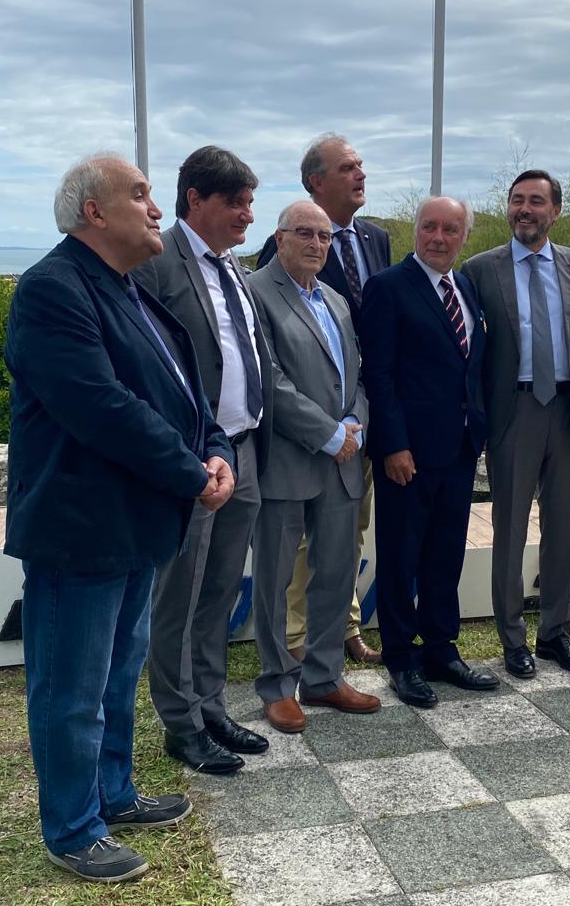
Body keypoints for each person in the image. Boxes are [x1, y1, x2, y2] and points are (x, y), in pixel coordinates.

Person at [3, 154, 235, 882]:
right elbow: (100, 407)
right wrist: (191, 471)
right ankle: (72, 829)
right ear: (94, 212)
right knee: (69, 688)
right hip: (81, 528)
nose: (156, 207)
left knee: (113, 677)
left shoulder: (128, 290)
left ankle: (112, 795)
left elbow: (185, 393)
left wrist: (218, 446)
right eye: (139, 195)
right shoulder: (51, 289)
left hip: (134, 523)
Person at [133, 146, 271, 773]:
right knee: (179, 599)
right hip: (193, 464)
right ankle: (180, 722)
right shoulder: (157, 263)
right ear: (194, 199)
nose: (247, 214)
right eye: (234, 202)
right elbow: (141, 365)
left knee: (218, 592)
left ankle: (211, 704)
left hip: (241, 453)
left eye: (248, 201)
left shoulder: (232, 267)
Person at [462, 170, 570, 679]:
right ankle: (512, 639)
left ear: (555, 211)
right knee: (508, 527)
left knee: (563, 525)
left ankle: (555, 634)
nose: (524, 210)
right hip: (514, 412)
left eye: (535, 201)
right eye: (516, 201)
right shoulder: (480, 269)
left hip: (569, 412)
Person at [358, 196, 497, 708]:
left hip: (459, 447)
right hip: (408, 453)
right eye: (429, 227)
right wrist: (393, 443)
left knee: (445, 553)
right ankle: (400, 656)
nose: (438, 237)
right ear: (415, 231)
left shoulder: (465, 287)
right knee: (401, 555)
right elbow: (380, 373)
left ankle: (441, 648)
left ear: (464, 236)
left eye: (451, 229)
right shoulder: (388, 288)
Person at [247, 201, 381, 733]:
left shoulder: (336, 301)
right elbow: (268, 379)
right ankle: (278, 684)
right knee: (277, 578)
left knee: (335, 572)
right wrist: (328, 435)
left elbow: (357, 375)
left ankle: (324, 677)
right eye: (305, 233)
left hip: (343, 460)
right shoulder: (255, 293)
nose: (317, 245)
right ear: (279, 238)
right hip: (288, 459)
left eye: (325, 237)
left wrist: (355, 423)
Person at [258, 134, 391, 664]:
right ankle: (295, 637)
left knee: (348, 532)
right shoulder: (280, 256)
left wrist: (357, 419)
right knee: (301, 545)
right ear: (316, 181)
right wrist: (326, 428)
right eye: (347, 168)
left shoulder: (376, 240)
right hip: (305, 431)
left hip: (359, 416)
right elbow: (272, 361)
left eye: (361, 165)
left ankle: (344, 627)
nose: (360, 174)